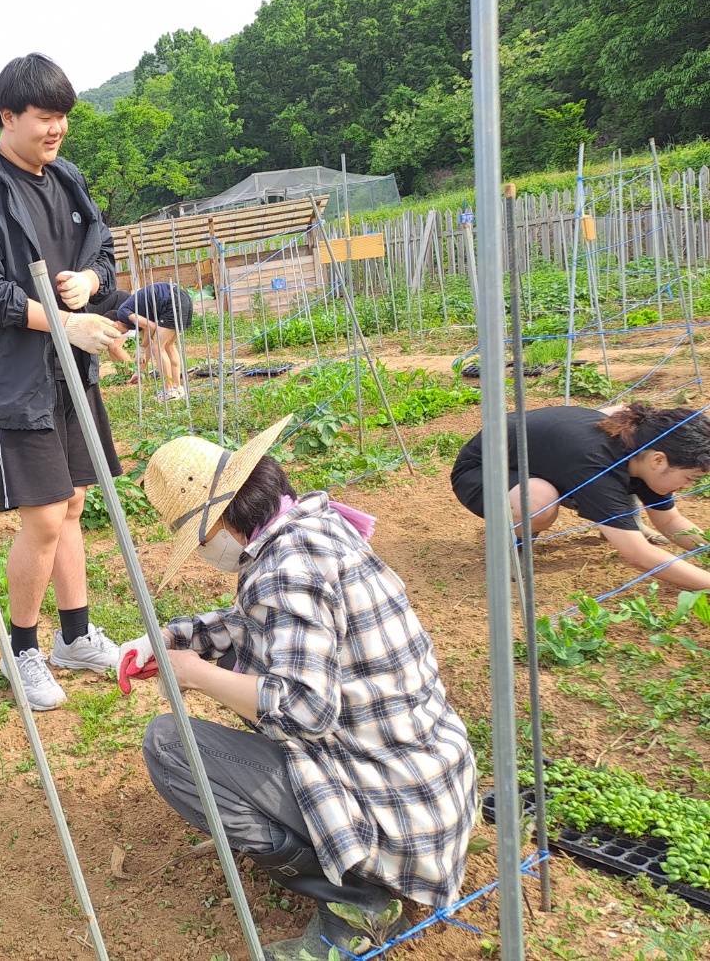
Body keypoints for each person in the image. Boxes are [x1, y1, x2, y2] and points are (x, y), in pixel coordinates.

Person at [123, 422, 477, 960]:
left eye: (197, 536)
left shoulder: (283, 568)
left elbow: (303, 709)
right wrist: (172, 638)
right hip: (430, 787)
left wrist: (194, 674)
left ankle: (357, 897)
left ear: (220, 521)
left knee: (170, 744)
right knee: (233, 707)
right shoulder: (313, 528)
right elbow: (264, 625)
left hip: (394, 809)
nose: (202, 549)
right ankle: (343, 859)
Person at [0, 52, 129, 711]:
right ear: (8, 117)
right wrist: (60, 321)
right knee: (44, 517)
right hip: (12, 378)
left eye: (63, 118)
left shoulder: (67, 178)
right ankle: (20, 649)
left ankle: (75, 638)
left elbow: (105, 248)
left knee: (74, 504)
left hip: (67, 369)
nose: (57, 130)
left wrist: (93, 283)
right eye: (45, 118)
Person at [451, 403, 710, 589]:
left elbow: (670, 522)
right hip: (483, 469)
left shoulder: (642, 447)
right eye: (690, 478)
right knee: (538, 502)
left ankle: (619, 518)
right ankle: (512, 545)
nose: (688, 486)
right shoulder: (596, 466)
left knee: (616, 415)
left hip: (547, 457)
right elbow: (638, 554)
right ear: (658, 460)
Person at [114, 282, 194, 400]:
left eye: (116, 332)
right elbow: (148, 345)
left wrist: (141, 348)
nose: (119, 335)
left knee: (159, 347)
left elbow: (152, 327)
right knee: (168, 346)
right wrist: (139, 372)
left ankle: (169, 391)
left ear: (115, 324)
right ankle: (177, 388)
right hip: (183, 298)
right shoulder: (138, 318)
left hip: (171, 301)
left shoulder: (123, 312)